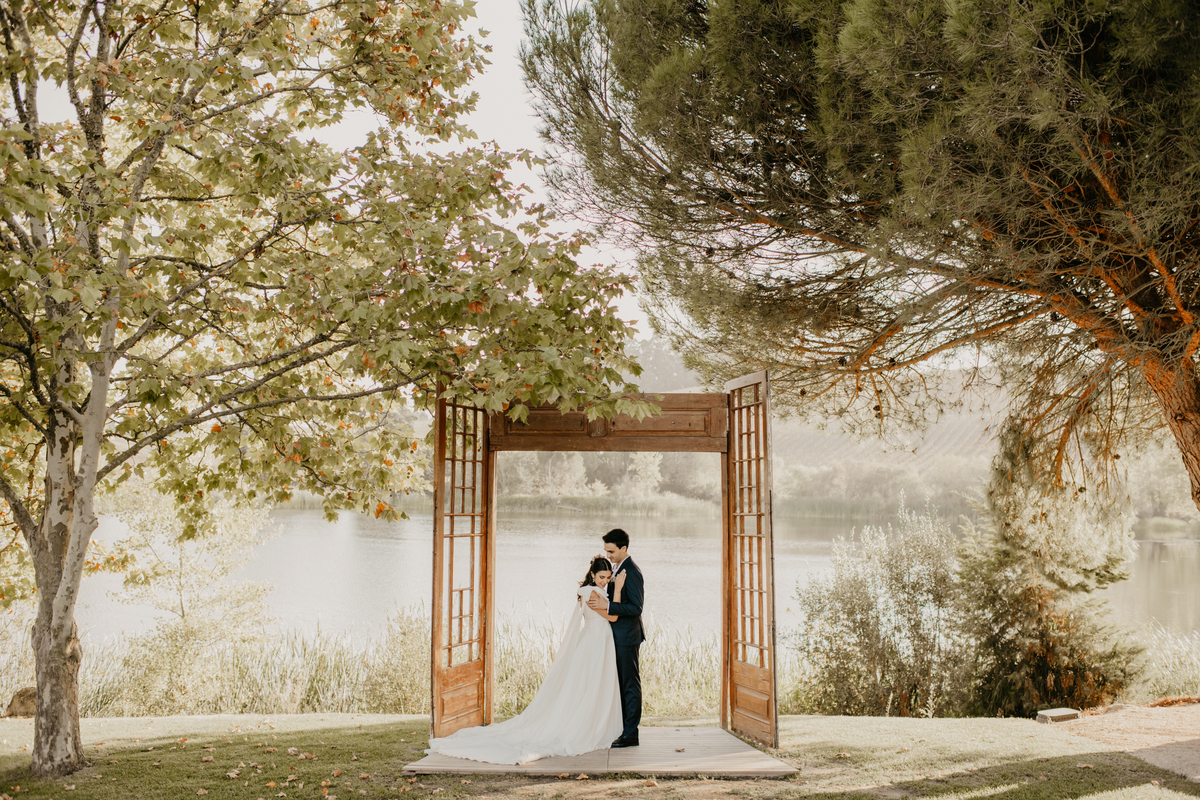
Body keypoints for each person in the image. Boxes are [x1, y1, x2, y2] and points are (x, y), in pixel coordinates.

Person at [425, 557, 624, 764]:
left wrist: (610, 592)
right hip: (595, 641)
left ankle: (595, 721)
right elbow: (613, 617)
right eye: (602, 577)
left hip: (599, 640)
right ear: (592, 574)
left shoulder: (594, 591)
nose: (605, 582)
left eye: (609, 578)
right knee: (590, 683)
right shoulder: (592, 593)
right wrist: (617, 589)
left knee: (594, 684)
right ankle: (589, 724)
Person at [587, 528, 644, 748]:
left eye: (611, 551)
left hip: (627, 638)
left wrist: (608, 605)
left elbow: (636, 607)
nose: (608, 556)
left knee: (630, 686)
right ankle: (620, 729)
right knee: (618, 685)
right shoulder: (617, 569)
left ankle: (631, 734)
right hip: (615, 636)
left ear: (623, 548)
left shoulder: (632, 571)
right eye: (606, 551)